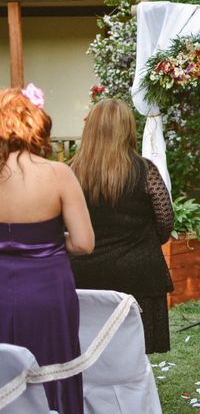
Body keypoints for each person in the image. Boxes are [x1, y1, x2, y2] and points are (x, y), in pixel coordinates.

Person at [0, 86, 94, 414]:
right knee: (52, 370)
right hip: (48, 290)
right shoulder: (58, 174)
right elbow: (84, 242)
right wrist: (47, 246)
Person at [70, 99, 174, 354]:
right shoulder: (145, 169)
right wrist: (143, 242)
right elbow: (165, 222)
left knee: (89, 346)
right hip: (139, 273)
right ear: (128, 129)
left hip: (85, 272)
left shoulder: (71, 172)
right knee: (135, 349)